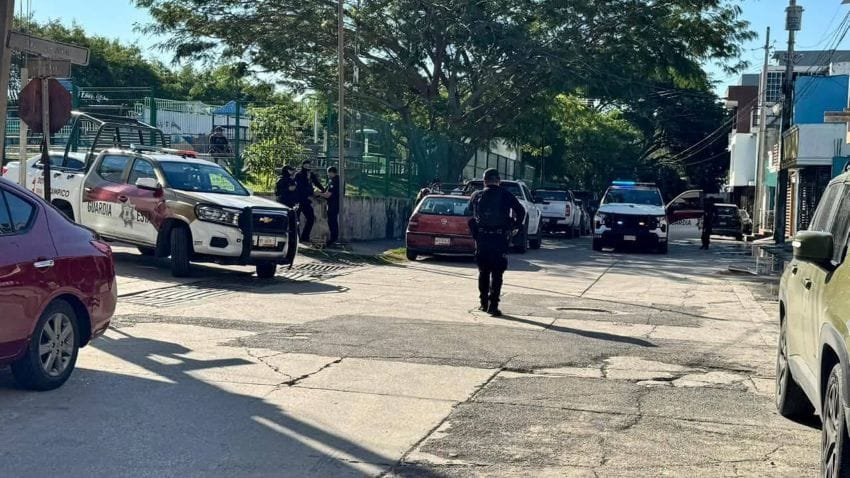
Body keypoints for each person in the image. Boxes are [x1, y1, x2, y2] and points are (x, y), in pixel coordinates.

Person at [468, 168, 525, 317]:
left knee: (483, 272)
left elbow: (469, 215)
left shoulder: (476, 195)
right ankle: (493, 305)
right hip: (500, 238)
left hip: (482, 238)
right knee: (497, 273)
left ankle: (483, 303)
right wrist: (514, 226)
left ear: (484, 181)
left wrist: (476, 234)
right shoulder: (506, 194)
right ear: (498, 181)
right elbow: (521, 211)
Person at [293, 160, 326, 243]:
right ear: (303, 165)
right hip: (298, 200)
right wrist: (307, 181)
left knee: (311, 218)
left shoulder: (311, 174)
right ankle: (296, 238)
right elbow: (300, 187)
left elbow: (317, 183)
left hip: (306, 201)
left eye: (309, 165)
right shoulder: (298, 175)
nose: (307, 167)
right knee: (296, 220)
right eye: (306, 165)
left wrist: (323, 190)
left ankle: (305, 237)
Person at [325, 166, 341, 247]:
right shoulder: (338, 179)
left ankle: (333, 239)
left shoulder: (334, 181)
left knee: (332, 221)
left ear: (331, 172)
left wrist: (318, 194)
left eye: (328, 173)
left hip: (333, 203)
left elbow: (328, 194)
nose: (327, 175)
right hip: (335, 203)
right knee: (332, 221)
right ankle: (333, 238)